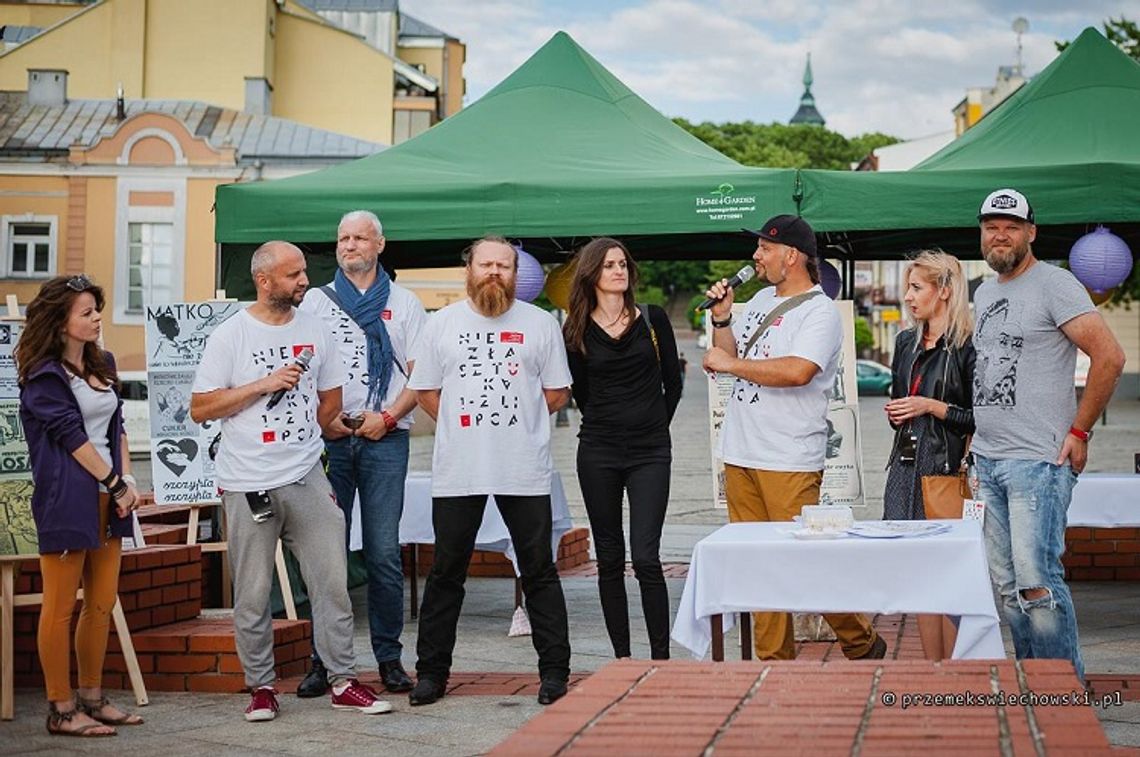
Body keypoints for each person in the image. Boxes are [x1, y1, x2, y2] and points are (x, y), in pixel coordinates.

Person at [190, 241, 391, 721]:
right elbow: (200, 408)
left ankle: (343, 680)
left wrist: (342, 426)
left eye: (303, 272)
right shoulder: (231, 335)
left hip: (306, 475)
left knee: (332, 584)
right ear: (265, 281)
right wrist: (262, 384)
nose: (304, 281)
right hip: (246, 481)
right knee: (254, 593)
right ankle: (260, 687)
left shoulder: (318, 330)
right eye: (293, 274)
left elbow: (328, 404)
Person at [702, 214, 885, 661]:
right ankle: (773, 661)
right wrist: (723, 320)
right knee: (756, 561)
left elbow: (798, 371)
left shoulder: (819, 311)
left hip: (788, 457)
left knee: (804, 560)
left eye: (764, 248)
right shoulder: (762, 299)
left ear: (792, 256)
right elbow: (729, 358)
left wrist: (730, 365)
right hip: (741, 451)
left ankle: (860, 639)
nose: (756, 256)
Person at [407, 236, 573, 706]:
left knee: (539, 569)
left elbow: (557, 392)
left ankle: (554, 672)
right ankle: (432, 673)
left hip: (523, 467)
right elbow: (426, 391)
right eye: (487, 264)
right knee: (446, 572)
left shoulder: (541, 324)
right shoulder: (441, 325)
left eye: (504, 265)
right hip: (460, 469)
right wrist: (467, 428)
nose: (494, 272)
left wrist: (518, 423)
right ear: (469, 269)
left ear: (515, 273)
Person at [971, 189, 1125, 682]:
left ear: (1030, 233)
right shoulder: (984, 292)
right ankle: (1035, 685)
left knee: (1038, 583)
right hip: (989, 460)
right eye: (991, 226)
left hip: (1037, 461)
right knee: (1008, 584)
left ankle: (1065, 694)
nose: (1000, 235)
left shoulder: (1055, 284)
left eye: (1011, 226)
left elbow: (1111, 357)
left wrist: (1080, 430)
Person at [296, 210, 426, 697]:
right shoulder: (313, 301)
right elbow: (299, 370)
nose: (349, 245)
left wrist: (388, 417)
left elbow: (421, 373)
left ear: (380, 244)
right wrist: (323, 419)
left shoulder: (406, 303)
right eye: (342, 238)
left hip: (385, 436)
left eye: (359, 237)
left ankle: (389, 659)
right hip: (329, 437)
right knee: (324, 554)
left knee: (384, 552)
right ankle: (322, 660)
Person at [17, 275, 143, 737]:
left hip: (109, 496)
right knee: (60, 606)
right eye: (86, 312)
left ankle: (93, 696)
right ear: (61, 321)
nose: (96, 319)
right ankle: (62, 708)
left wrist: (125, 481)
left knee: (102, 602)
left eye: (96, 309)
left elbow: (118, 428)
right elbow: (71, 438)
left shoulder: (104, 363)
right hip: (67, 499)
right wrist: (114, 483)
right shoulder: (43, 375)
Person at [563, 237, 680, 660]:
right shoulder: (574, 329)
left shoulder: (653, 318)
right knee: (609, 557)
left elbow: (675, 383)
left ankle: (661, 657)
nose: (619, 271)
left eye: (623, 264)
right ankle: (623, 659)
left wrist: (651, 424)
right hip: (598, 452)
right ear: (592, 273)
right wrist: (610, 423)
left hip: (650, 452)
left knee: (647, 557)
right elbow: (580, 391)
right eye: (610, 265)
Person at [882, 250, 976, 661]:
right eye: (908, 287)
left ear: (944, 291)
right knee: (917, 571)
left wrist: (929, 406)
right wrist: (901, 410)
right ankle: (932, 668)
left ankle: (954, 671)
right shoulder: (904, 341)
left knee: (948, 572)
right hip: (904, 466)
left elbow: (981, 417)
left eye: (916, 287)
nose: (907, 296)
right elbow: (898, 398)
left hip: (944, 471)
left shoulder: (968, 345)